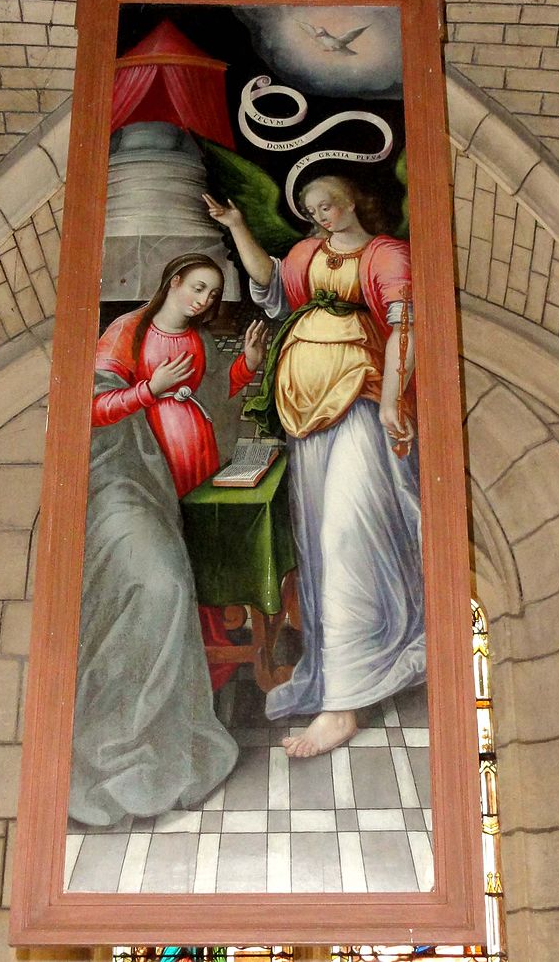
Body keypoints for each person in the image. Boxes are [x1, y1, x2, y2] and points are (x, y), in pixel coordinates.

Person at [203, 177, 425, 758]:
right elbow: (271, 284)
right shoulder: (308, 253)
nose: (321, 215)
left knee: (347, 538)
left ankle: (344, 705)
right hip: (305, 416)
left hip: (361, 404)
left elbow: (405, 327)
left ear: (352, 200)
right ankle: (339, 680)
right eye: (311, 209)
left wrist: (393, 401)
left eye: (327, 204)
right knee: (320, 547)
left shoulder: (385, 254)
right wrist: (237, 228)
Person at [69, 253, 268, 826]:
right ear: (173, 281)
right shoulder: (126, 333)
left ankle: (210, 684)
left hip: (191, 472)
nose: (204, 300)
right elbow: (91, 408)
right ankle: (138, 734)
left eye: (213, 293)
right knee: (164, 586)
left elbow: (215, 391)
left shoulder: (197, 340)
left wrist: (247, 366)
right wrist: (148, 390)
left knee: (201, 580)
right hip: (137, 478)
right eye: (198, 287)